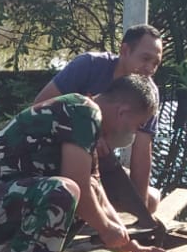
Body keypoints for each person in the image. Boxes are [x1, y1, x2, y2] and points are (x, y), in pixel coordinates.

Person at [0, 75, 170, 252]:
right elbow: (78, 185)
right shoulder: (82, 111)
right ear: (122, 112)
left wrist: (133, 249)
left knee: (82, 198)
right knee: (64, 190)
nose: (133, 133)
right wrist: (105, 229)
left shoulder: (89, 124)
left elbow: (95, 190)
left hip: (0, 206)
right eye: (136, 125)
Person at [32, 24, 163, 217]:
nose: (149, 69)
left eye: (156, 63)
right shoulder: (89, 65)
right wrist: (87, 133)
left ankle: (89, 210)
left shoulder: (148, 94)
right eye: (145, 59)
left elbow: (142, 151)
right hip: (55, 155)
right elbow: (38, 108)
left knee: (150, 200)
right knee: (69, 198)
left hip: (99, 165)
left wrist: (140, 213)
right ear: (125, 50)